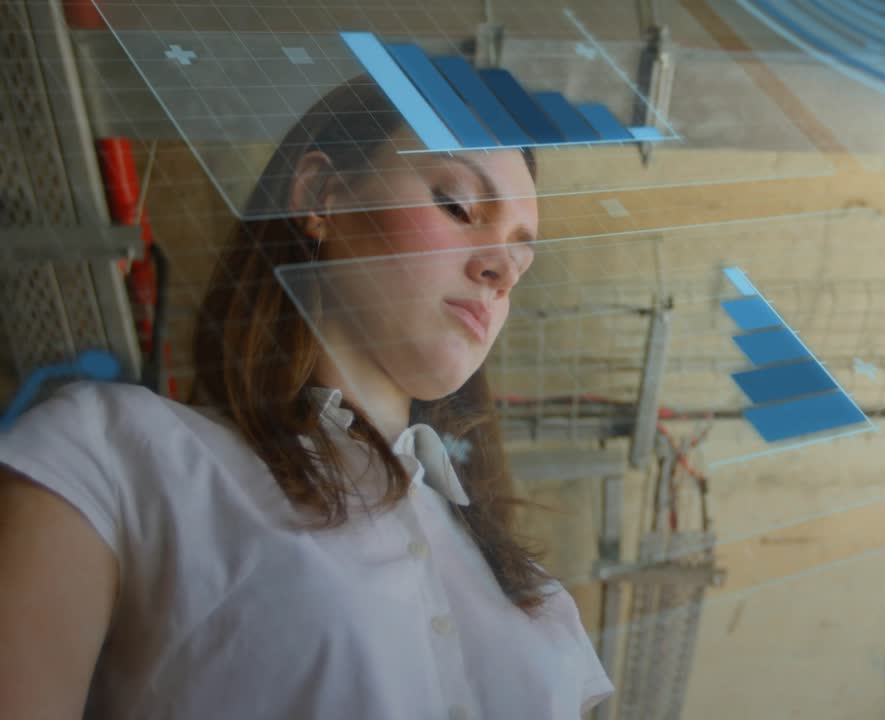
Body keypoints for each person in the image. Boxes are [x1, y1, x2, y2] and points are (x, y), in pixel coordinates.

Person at [0, 75, 614, 719]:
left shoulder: (536, 599)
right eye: (458, 206)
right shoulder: (117, 453)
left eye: (523, 259)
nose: (500, 270)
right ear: (321, 195)